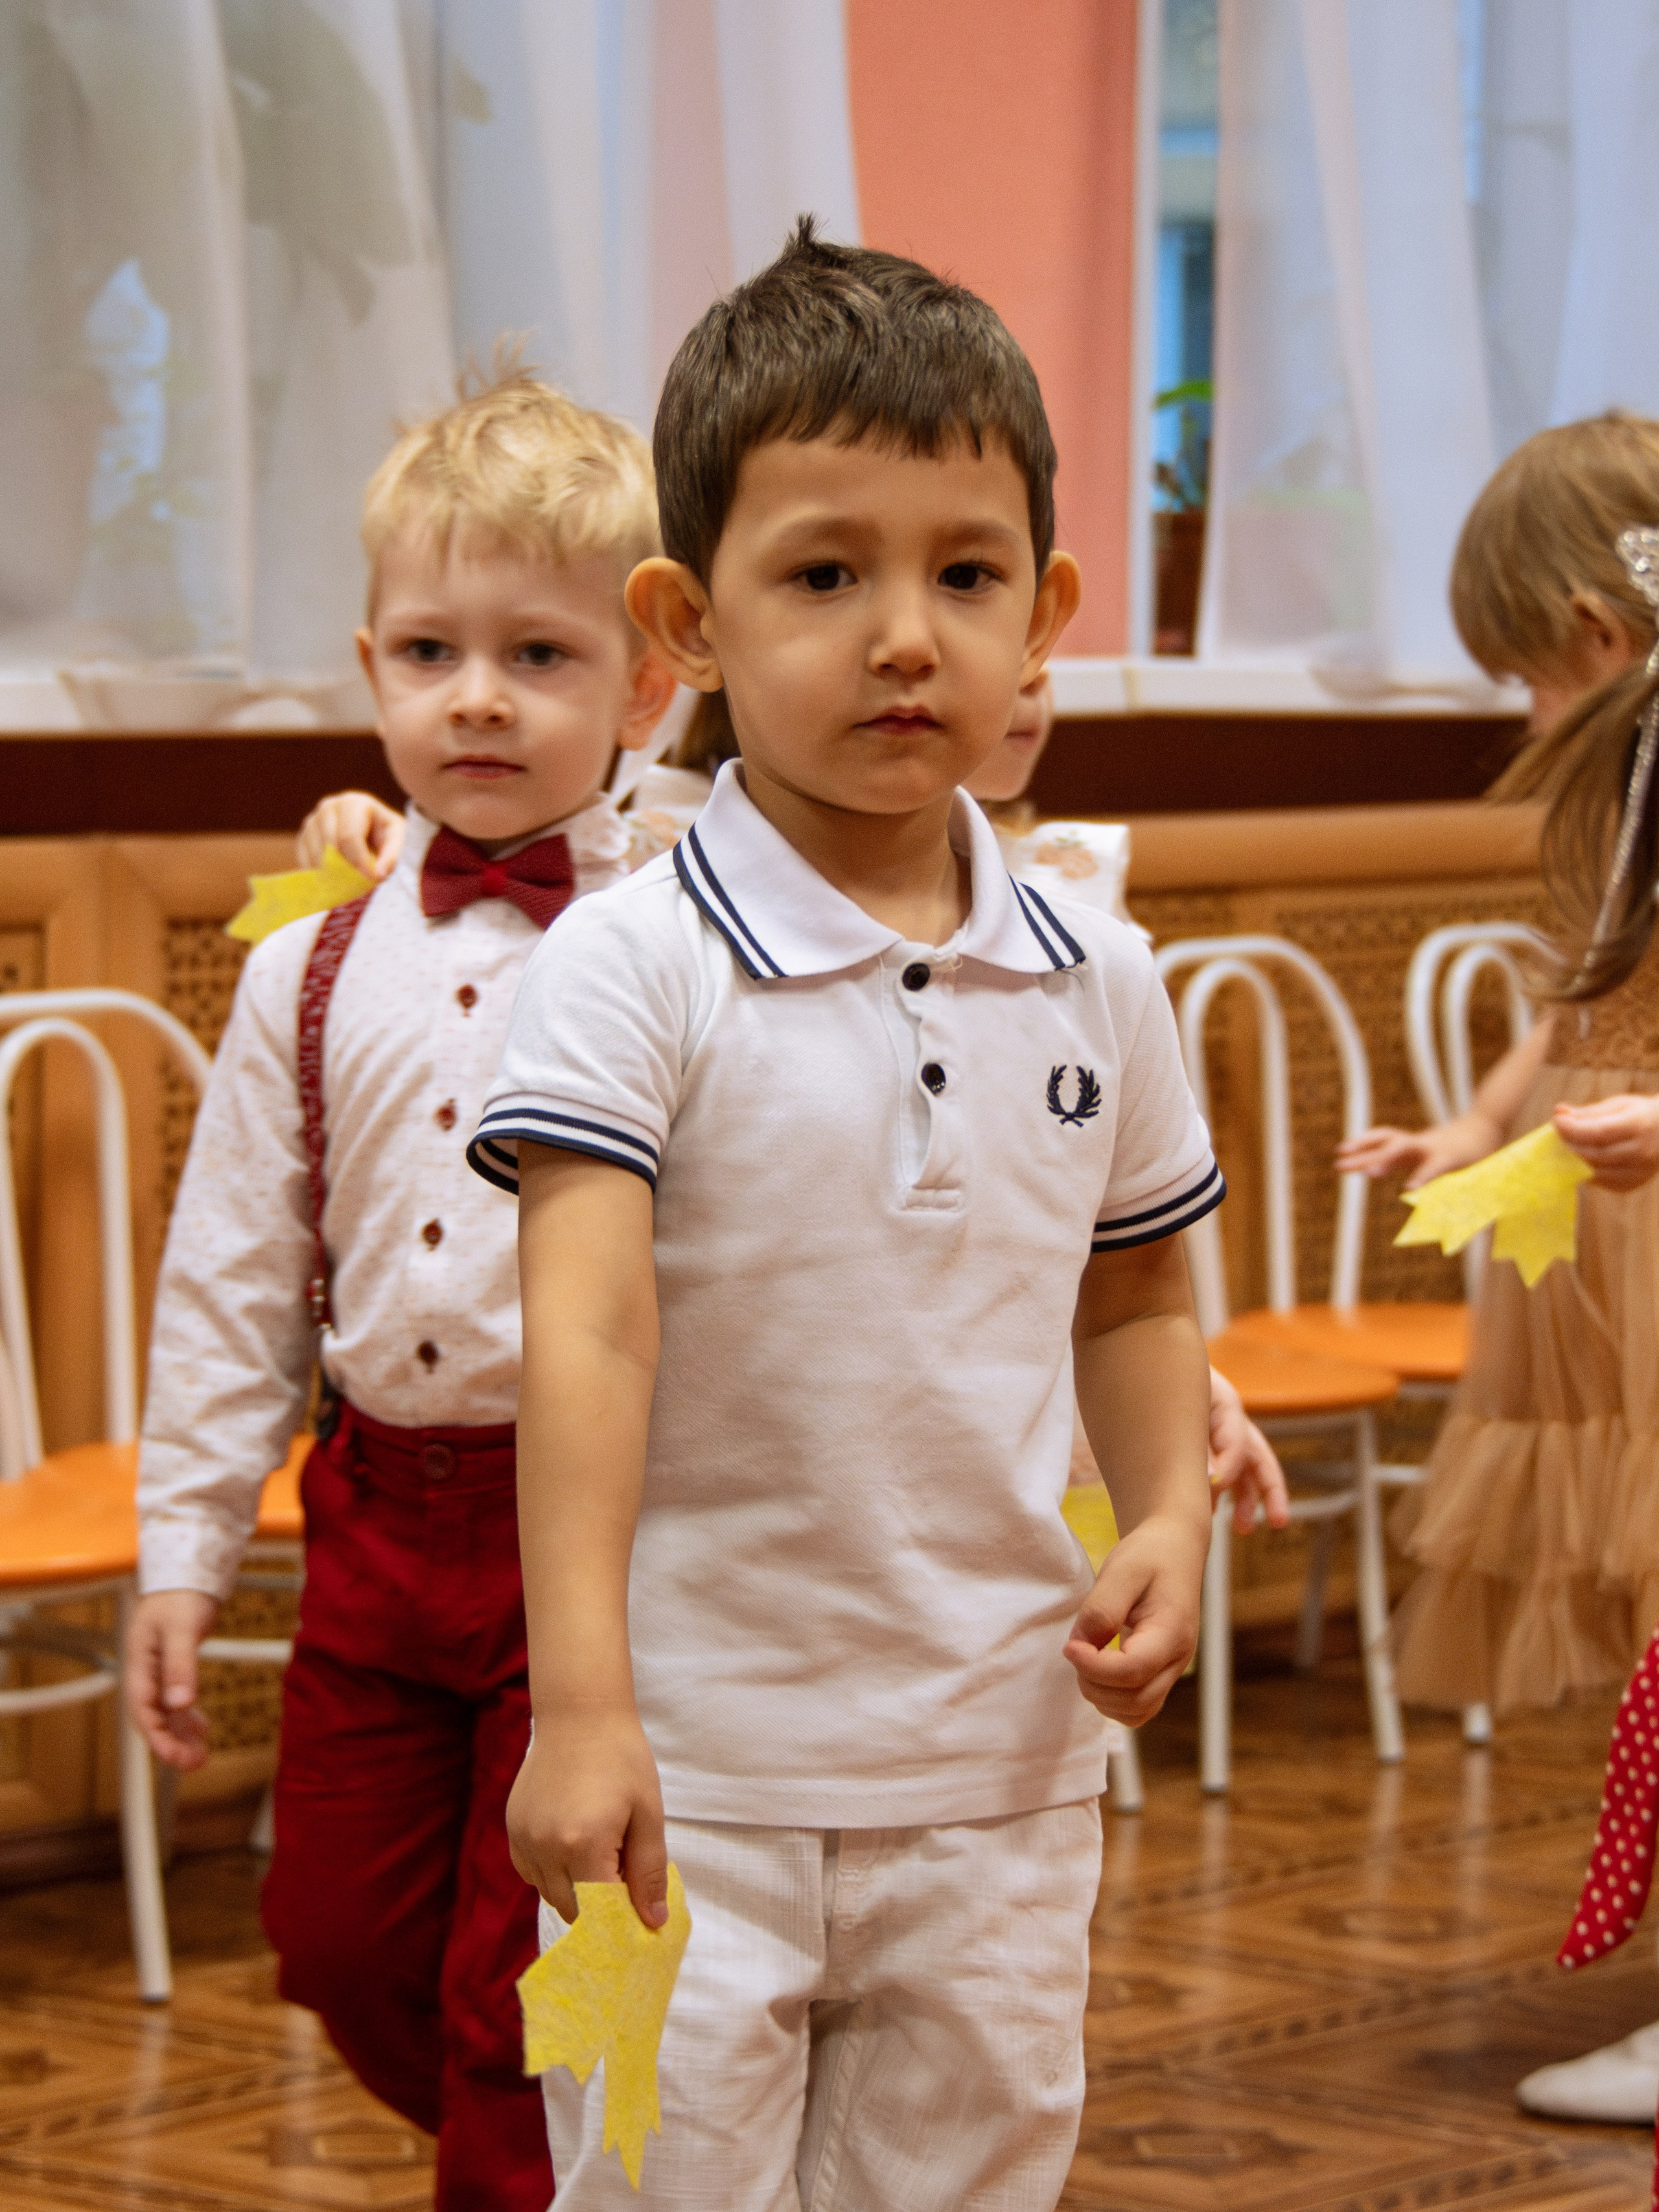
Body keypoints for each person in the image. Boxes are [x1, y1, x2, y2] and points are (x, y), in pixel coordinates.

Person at [470, 217, 1222, 2209]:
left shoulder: (1099, 968)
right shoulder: (630, 963)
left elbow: (1135, 1292)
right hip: (688, 1776)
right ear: (689, 620)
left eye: (965, 574)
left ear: (1045, 609)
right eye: (825, 573)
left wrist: (1163, 1511)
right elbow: (587, 1336)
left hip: (1004, 1766)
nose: (906, 634)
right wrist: (584, 1708)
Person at [124, 372, 675, 2210]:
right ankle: (556, 2165)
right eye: (432, 652)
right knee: (336, 1938)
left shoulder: (680, 937)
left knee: (528, 1972)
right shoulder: (306, 963)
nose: (480, 697)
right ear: (371, 669)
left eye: (541, 654)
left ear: (646, 684)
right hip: (370, 1516)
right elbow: (230, 1276)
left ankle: (529, 2170)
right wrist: (185, 1551)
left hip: (588, 1531)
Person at [301, 686, 1290, 1535]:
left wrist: (1183, 1397)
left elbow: (1065, 1223)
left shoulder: (1078, 921)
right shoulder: (665, 887)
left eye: (984, 598)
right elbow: (551, 850)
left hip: (1005, 1467)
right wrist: (390, 827)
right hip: (754, 1486)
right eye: (824, 580)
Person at [1339, 412, 1659, 2125]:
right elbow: (1587, 976)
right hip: (1603, 1229)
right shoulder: (1629, 779)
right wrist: (1475, 1122)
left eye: (1529, 674)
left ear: (1595, 634)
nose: (1527, 712)